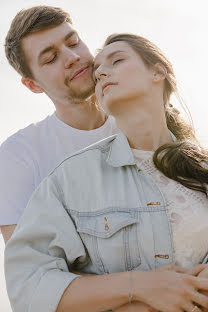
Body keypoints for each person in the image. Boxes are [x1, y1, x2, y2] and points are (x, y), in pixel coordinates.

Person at [4, 32, 208, 312]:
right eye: (98, 71)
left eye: (117, 60)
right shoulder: (67, 180)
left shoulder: (203, 169)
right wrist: (139, 288)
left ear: (158, 71)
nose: (101, 73)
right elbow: (28, 286)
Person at [0, 5, 119, 244]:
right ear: (33, 85)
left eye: (74, 43)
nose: (72, 58)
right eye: (51, 58)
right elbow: (28, 273)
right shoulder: (17, 157)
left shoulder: (144, 123)